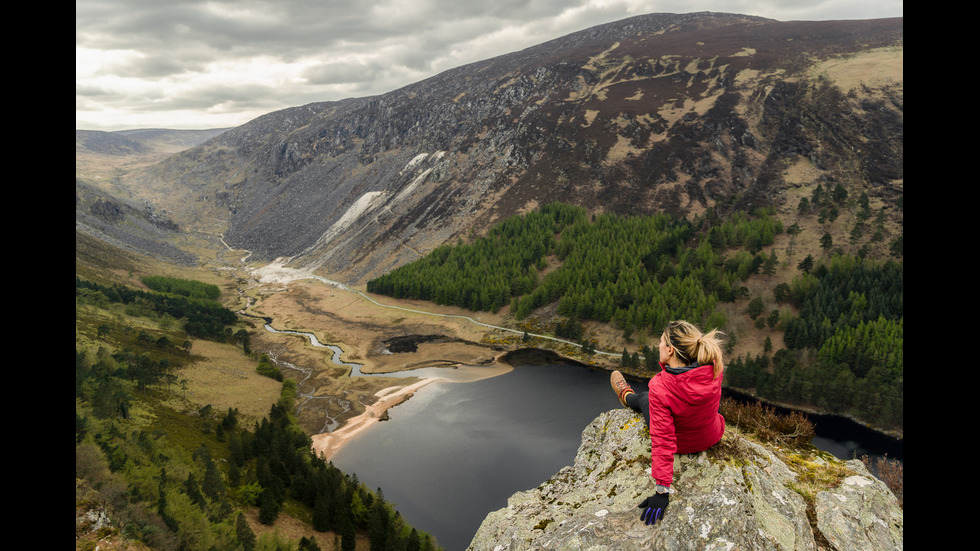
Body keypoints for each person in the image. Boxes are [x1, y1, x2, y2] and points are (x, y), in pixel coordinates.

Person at [609, 320, 726, 526]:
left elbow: (663, 440)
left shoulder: (661, 387)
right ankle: (629, 396)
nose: (658, 345)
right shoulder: (714, 368)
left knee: (645, 398)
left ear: (671, 350)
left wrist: (662, 491)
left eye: (661, 342)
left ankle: (626, 396)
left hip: (681, 444)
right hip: (712, 434)